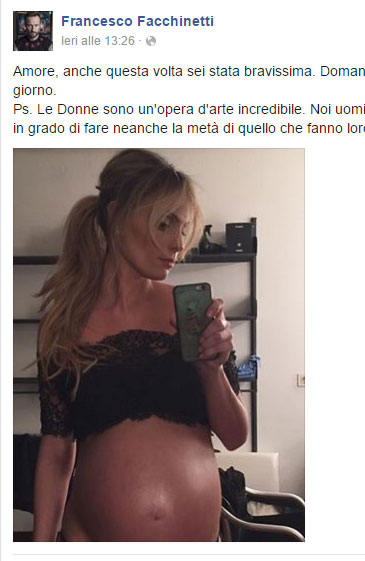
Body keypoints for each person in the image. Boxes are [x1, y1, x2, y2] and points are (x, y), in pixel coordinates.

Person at [32, 149, 248, 541]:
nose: (177, 243)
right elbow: (57, 449)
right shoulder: (64, 323)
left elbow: (235, 436)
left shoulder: (194, 315)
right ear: (116, 215)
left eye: (183, 228)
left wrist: (211, 369)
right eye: (164, 224)